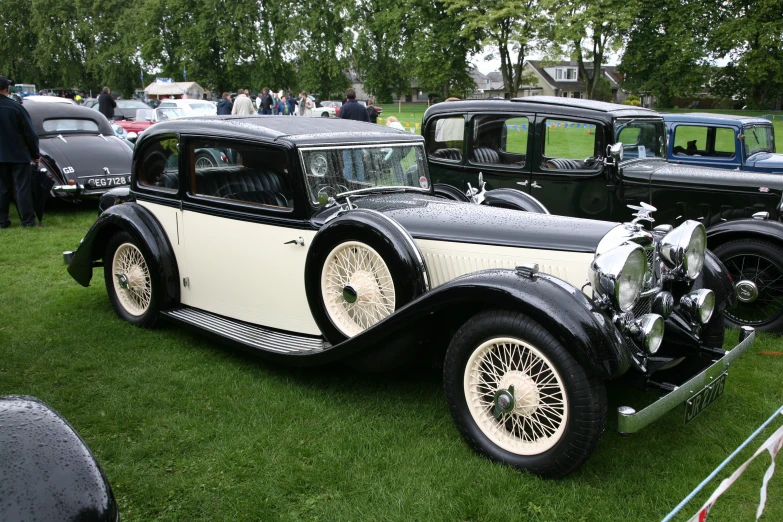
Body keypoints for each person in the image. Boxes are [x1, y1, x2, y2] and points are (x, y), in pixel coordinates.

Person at [0, 76, 39, 228]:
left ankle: (2, 221)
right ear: (6, 89)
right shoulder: (16, 107)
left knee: (2, 189)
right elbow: (29, 133)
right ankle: (28, 221)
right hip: (18, 154)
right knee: (22, 189)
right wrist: (35, 155)